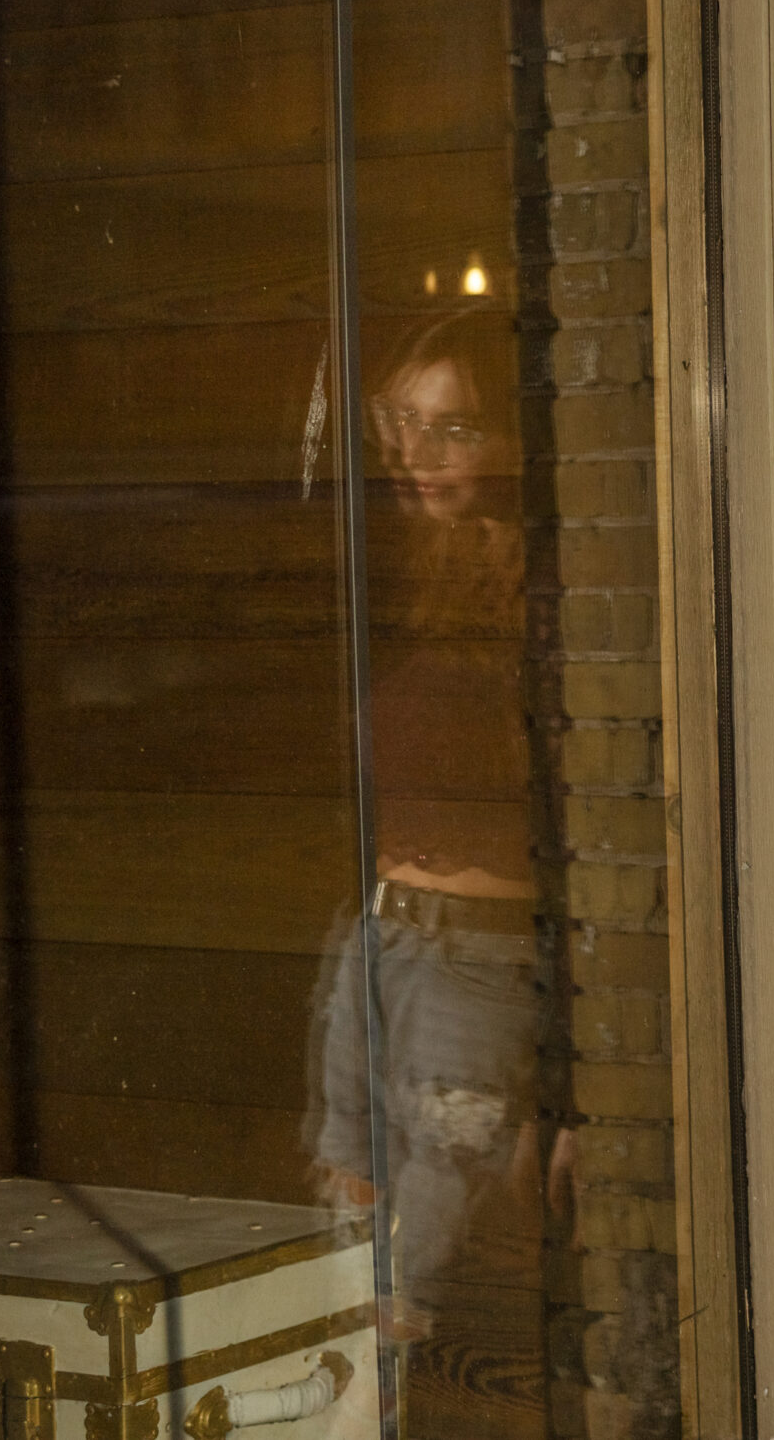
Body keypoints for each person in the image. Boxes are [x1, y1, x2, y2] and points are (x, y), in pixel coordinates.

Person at [307, 306, 568, 1338]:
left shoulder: (550, 591)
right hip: (378, 941)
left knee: (402, 1290)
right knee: (339, 1252)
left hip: (479, 969)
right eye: (400, 421)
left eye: (452, 427)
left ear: (509, 439)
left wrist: (572, 1085)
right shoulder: (411, 573)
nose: (414, 452)